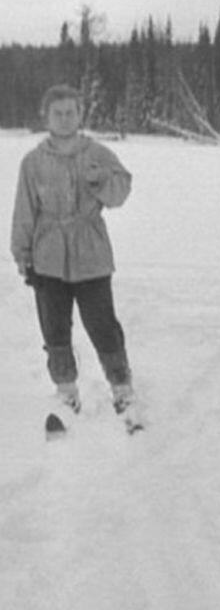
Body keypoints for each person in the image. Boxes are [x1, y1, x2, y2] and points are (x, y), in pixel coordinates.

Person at [11, 83, 136, 414]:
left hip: (91, 253)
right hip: (47, 255)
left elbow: (120, 194)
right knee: (54, 327)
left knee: (102, 323)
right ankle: (66, 392)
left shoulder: (97, 153)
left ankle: (122, 388)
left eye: (71, 112)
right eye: (58, 113)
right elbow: (24, 211)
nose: (65, 119)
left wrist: (101, 182)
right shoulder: (33, 161)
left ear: (81, 114)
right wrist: (22, 254)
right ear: (46, 116)